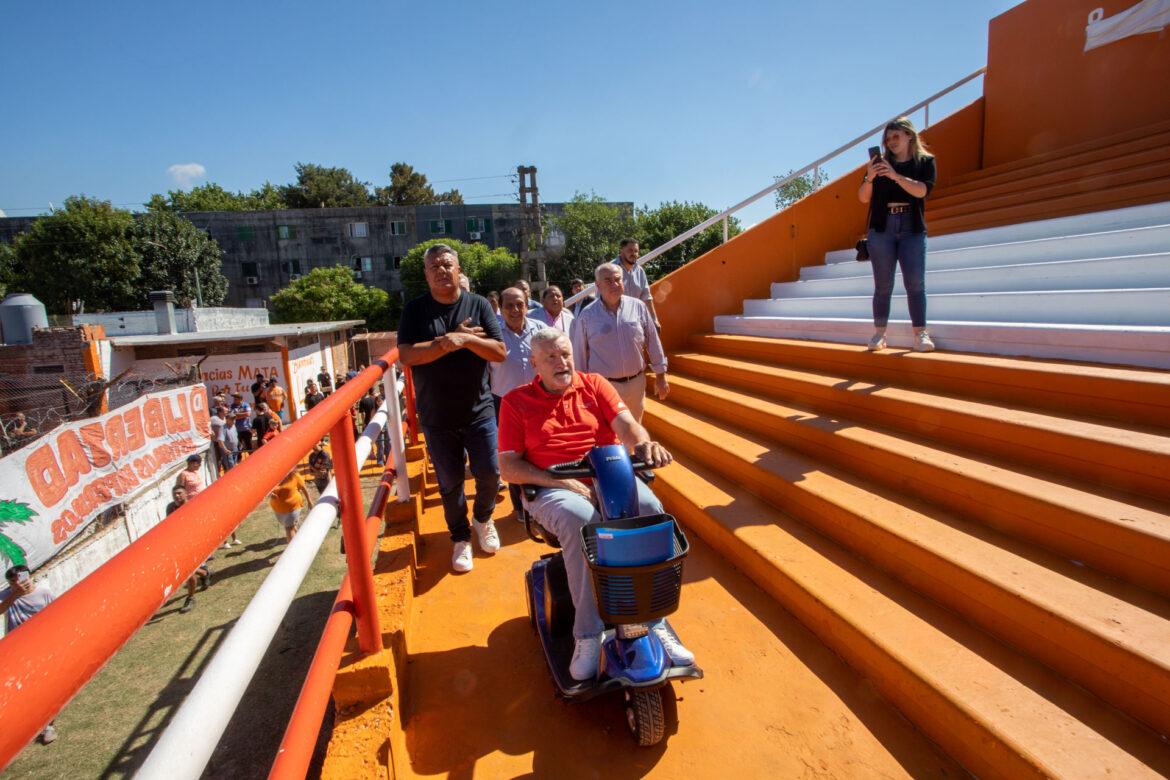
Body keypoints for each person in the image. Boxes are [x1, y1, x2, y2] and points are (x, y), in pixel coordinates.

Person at [497, 328, 692, 680]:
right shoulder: (516, 401)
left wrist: (643, 445)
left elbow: (627, 424)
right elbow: (508, 466)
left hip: (606, 475)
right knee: (581, 520)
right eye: (552, 357)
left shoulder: (595, 384)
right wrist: (559, 480)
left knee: (651, 511)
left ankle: (654, 620)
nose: (562, 362)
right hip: (550, 485)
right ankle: (587, 635)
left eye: (566, 354)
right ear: (534, 363)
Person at [398, 243, 506, 573]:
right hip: (436, 415)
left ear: (458, 269)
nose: (442, 271)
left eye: (447, 265)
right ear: (426, 275)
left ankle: (483, 519)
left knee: (490, 473)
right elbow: (406, 355)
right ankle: (460, 538)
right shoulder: (415, 310)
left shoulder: (478, 304)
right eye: (434, 267)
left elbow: (499, 351)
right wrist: (448, 341)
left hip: (479, 410)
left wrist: (467, 340)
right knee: (451, 483)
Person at [858, 116, 938, 353]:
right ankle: (879, 334)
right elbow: (863, 197)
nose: (891, 142)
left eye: (896, 137)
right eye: (888, 138)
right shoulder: (879, 165)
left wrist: (895, 176)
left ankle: (920, 334)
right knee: (883, 285)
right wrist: (871, 176)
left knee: (915, 283)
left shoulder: (924, 162)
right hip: (882, 228)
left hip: (911, 228)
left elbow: (922, 190)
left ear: (909, 136)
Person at [571, 263, 669, 423]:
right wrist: (580, 389)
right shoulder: (587, 315)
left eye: (618, 279)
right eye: (608, 280)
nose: (615, 284)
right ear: (597, 285)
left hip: (636, 383)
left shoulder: (638, 307)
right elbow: (579, 355)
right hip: (604, 387)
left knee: (635, 430)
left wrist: (661, 375)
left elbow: (653, 341)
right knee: (609, 434)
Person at [490, 288, 542, 519]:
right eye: (509, 305)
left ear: (527, 306)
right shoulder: (492, 335)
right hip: (504, 403)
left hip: (539, 401)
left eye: (519, 304)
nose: (515, 310)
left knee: (539, 451)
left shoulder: (541, 331)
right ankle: (520, 507)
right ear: (500, 308)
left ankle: (541, 502)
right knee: (512, 455)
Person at [2, 565, 59, 743]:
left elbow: (57, 614)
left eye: (19, 579)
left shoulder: (44, 593)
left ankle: (47, 723)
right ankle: (41, 725)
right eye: (12, 582)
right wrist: (14, 595)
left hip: (42, 648)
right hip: (18, 650)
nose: (17, 584)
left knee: (45, 686)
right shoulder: (7, 596)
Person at [164, 486, 212, 613]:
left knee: (188, 571)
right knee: (183, 569)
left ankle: (190, 598)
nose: (177, 496)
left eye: (179, 493)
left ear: (186, 494)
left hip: (193, 542)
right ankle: (205, 574)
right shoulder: (170, 508)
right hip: (178, 543)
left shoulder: (193, 505)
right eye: (175, 494)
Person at [611, 238, 660, 329]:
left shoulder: (640, 271)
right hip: (615, 324)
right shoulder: (610, 270)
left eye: (636, 251)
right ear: (621, 251)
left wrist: (654, 320)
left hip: (635, 323)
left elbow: (647, 297)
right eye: (630, 250)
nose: (634, 254)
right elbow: (601, 299)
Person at [269, 466, 313, 542]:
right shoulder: (273, 477)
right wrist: (270, 494)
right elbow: (268, 490)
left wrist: (309, 501)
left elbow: (304, 489)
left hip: (292, 508)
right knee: (290, 526)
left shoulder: (294, 475)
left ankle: (292, 550)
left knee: (289, 529)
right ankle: (300, 537)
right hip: (278, 509)